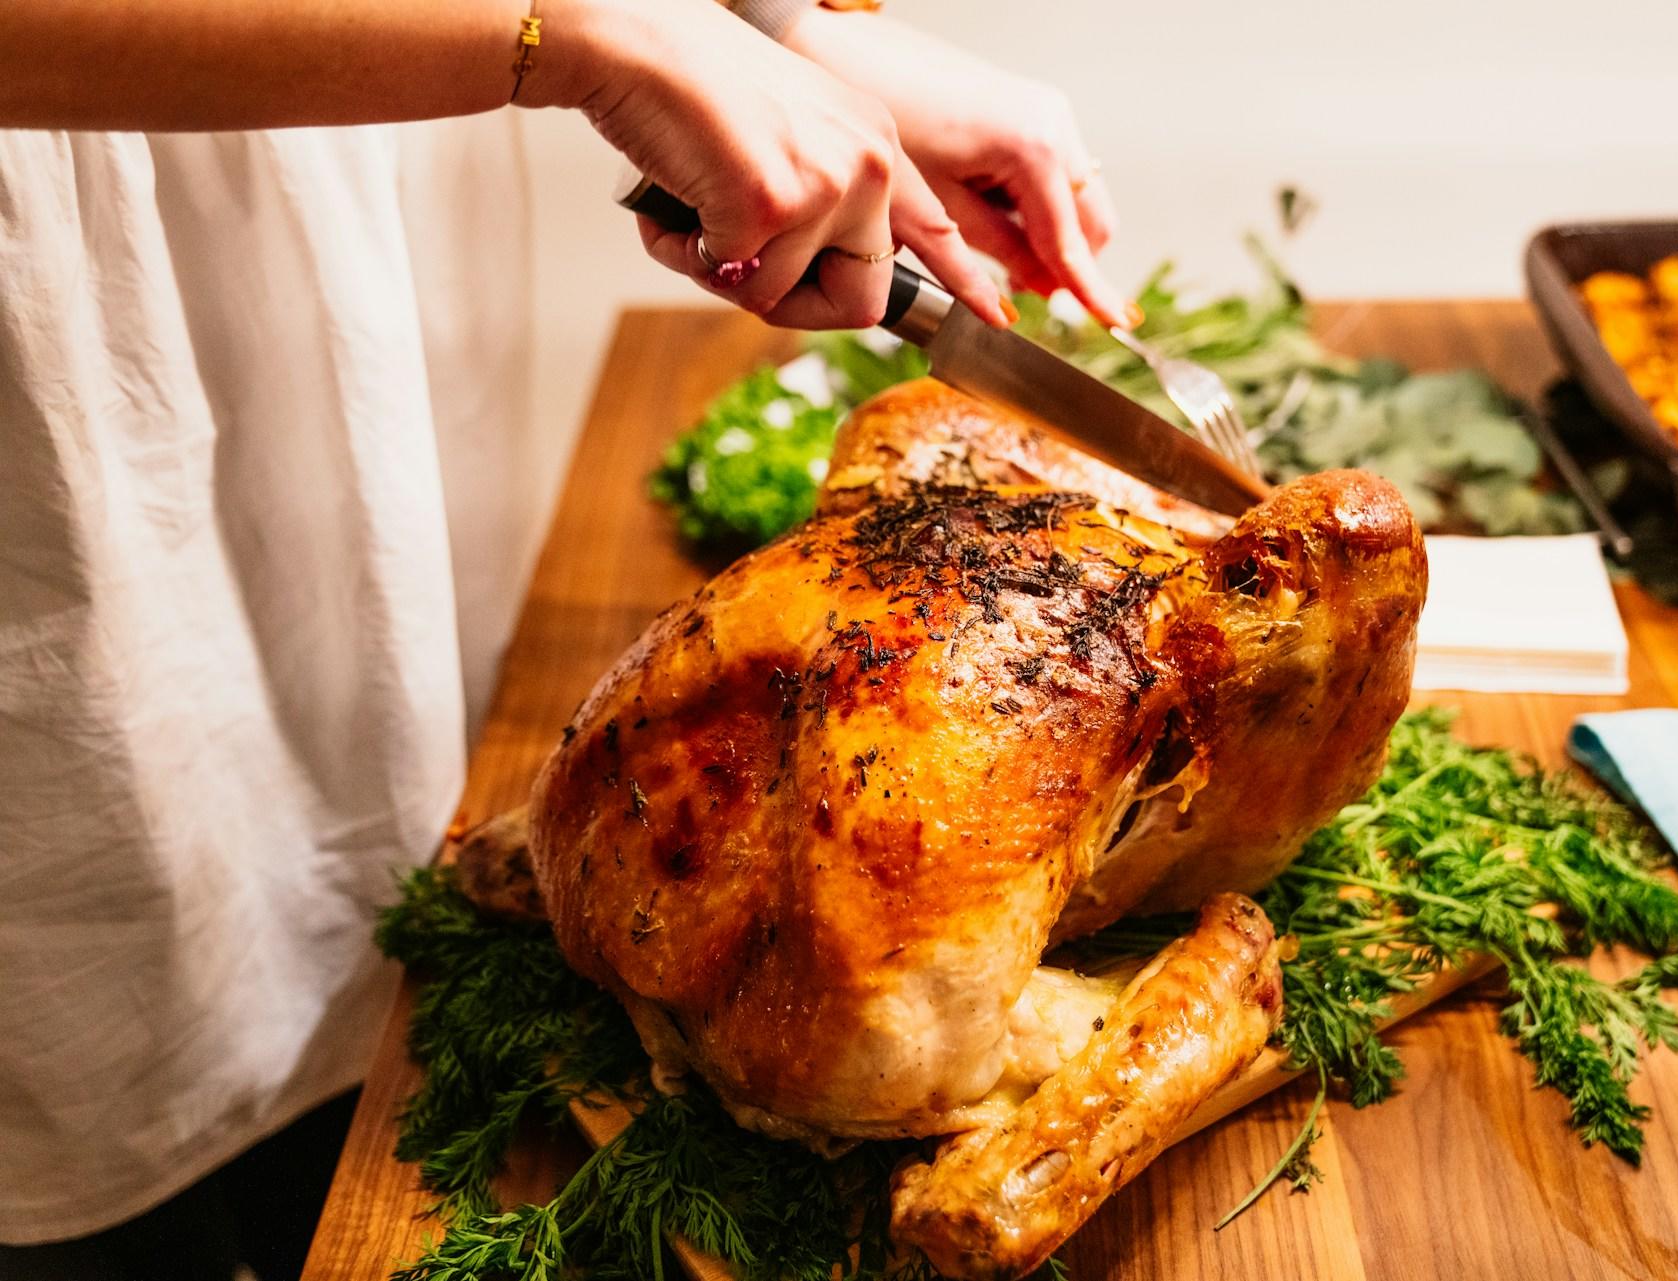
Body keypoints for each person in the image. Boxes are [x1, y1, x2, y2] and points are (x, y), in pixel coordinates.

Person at [0, 2, 1127, 1276]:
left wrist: (766, 30)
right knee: (145, 1001)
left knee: (368, 830)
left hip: (354, 107)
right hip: (70, 219)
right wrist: (581, 34)